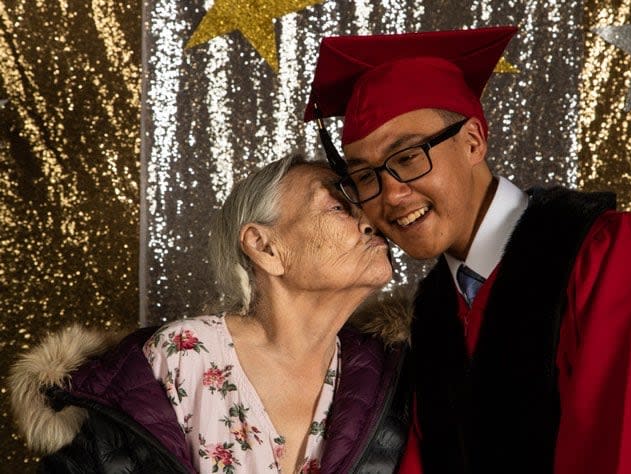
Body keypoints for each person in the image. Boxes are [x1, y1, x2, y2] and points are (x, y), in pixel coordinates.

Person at [304, 26, 631, 473]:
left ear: (474, 141)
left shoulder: (612, 257)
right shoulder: (433, 314)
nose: (391, 194)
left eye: (407, 158)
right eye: (365, 175)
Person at [9, 154, 412, 473]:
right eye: (340, 207)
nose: (371, 223)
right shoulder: (180, 357)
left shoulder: (394, 374)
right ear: (264, 247)